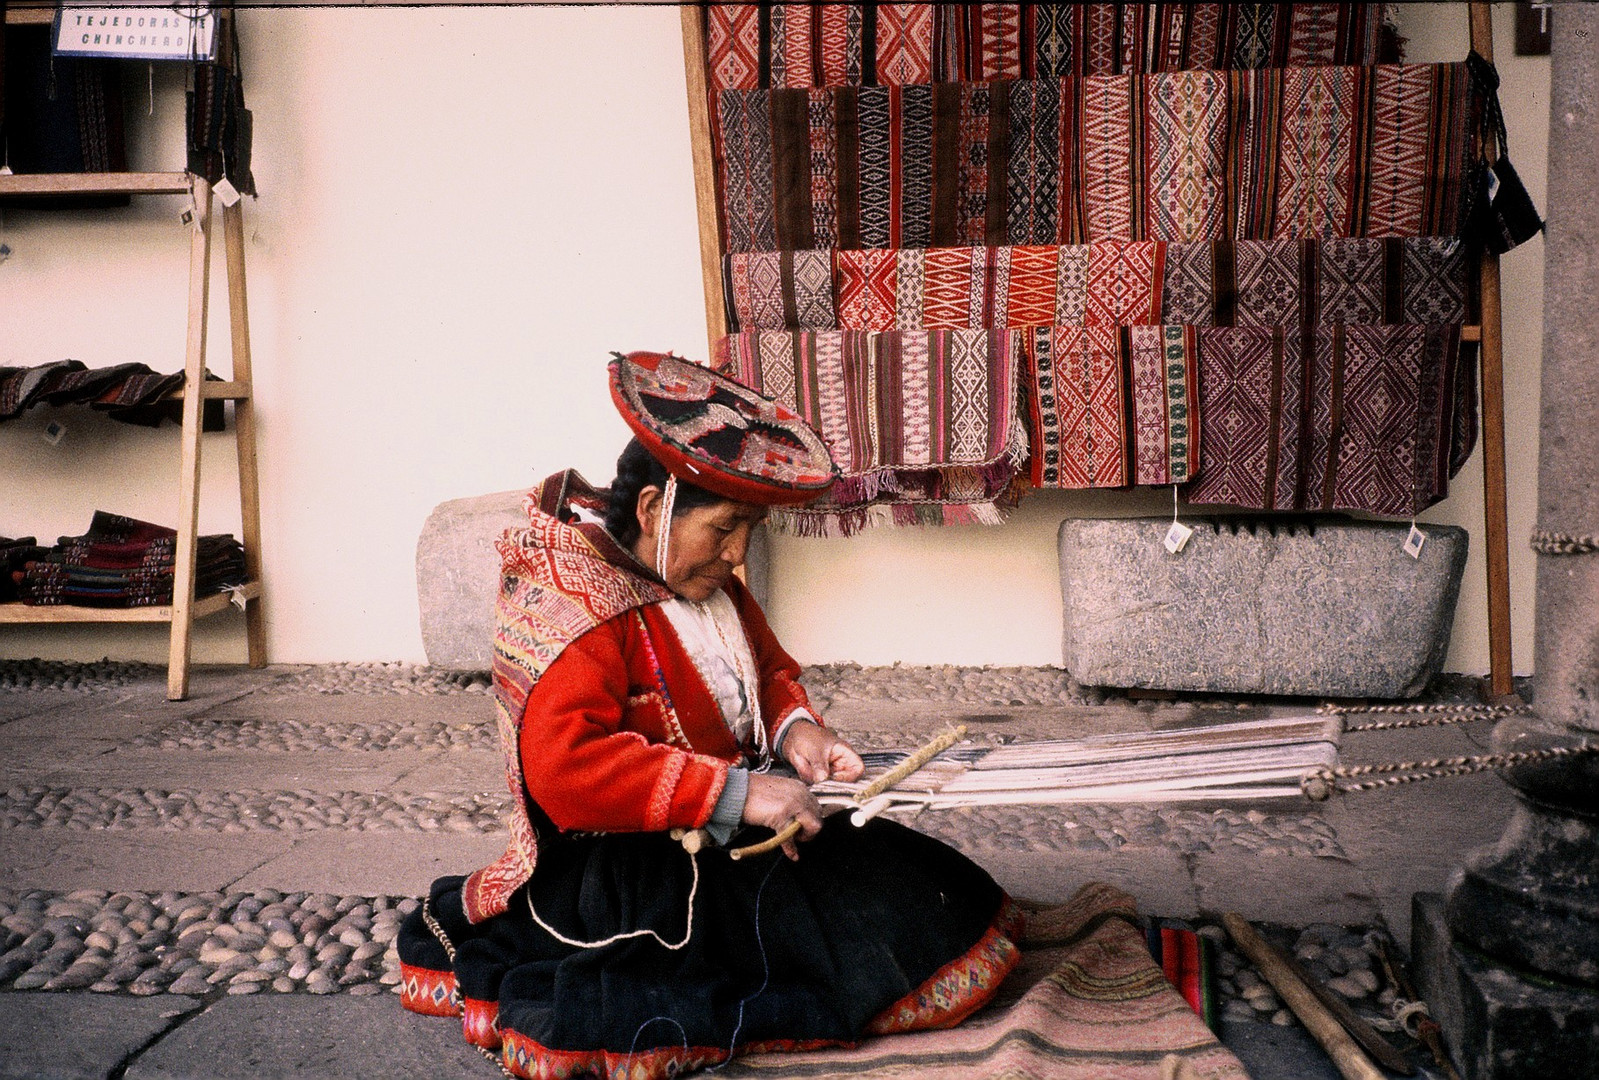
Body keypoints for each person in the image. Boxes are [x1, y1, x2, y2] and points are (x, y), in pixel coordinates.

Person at [398, 351, 1022, 1079]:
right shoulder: (577, 604)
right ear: (652, 511)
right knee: (745, 963)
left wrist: (800, 734)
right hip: (632, 858)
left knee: (925, 896)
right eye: (724, 527)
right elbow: (564, 771)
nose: (735, 554)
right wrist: (739, 792)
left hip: (736, 826)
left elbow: (770, 671)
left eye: (748, 531)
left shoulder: (706, 582)